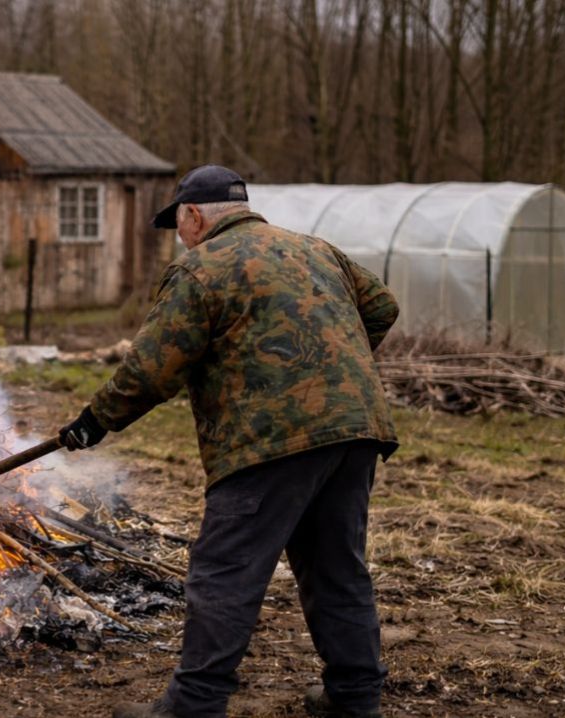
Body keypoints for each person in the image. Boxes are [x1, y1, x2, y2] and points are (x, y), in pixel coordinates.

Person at [59, 165, 399, 718]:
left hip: (268, 440)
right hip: (355, 429)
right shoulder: (316, 249)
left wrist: (95, 421)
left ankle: (193, 706)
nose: (180, 235)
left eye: (179, 224)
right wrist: (333, 376)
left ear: (194, 216)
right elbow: (382, 306)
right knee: (337, 566)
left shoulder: (201, 268)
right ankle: (355, 699)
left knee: (225, 571)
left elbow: (151, 370)